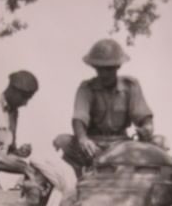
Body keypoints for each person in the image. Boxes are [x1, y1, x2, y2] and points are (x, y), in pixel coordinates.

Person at [55, 38, 154, 176]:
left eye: (109, 69)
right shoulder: (86, 88)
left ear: (118, 67)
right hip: (93, 145)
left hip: (122, 145)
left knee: (159, 143)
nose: (104, 74)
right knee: (63, 141)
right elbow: (79, 118)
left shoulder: (130, 86)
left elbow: (143, 115)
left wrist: (147, 128)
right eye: (100, 69)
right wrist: (83, 139)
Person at [0, 70, 39, 158]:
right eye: (24, 97)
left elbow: (7, 149)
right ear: (13, 90)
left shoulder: (14, 113)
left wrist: (19, 152)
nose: (25, 103)